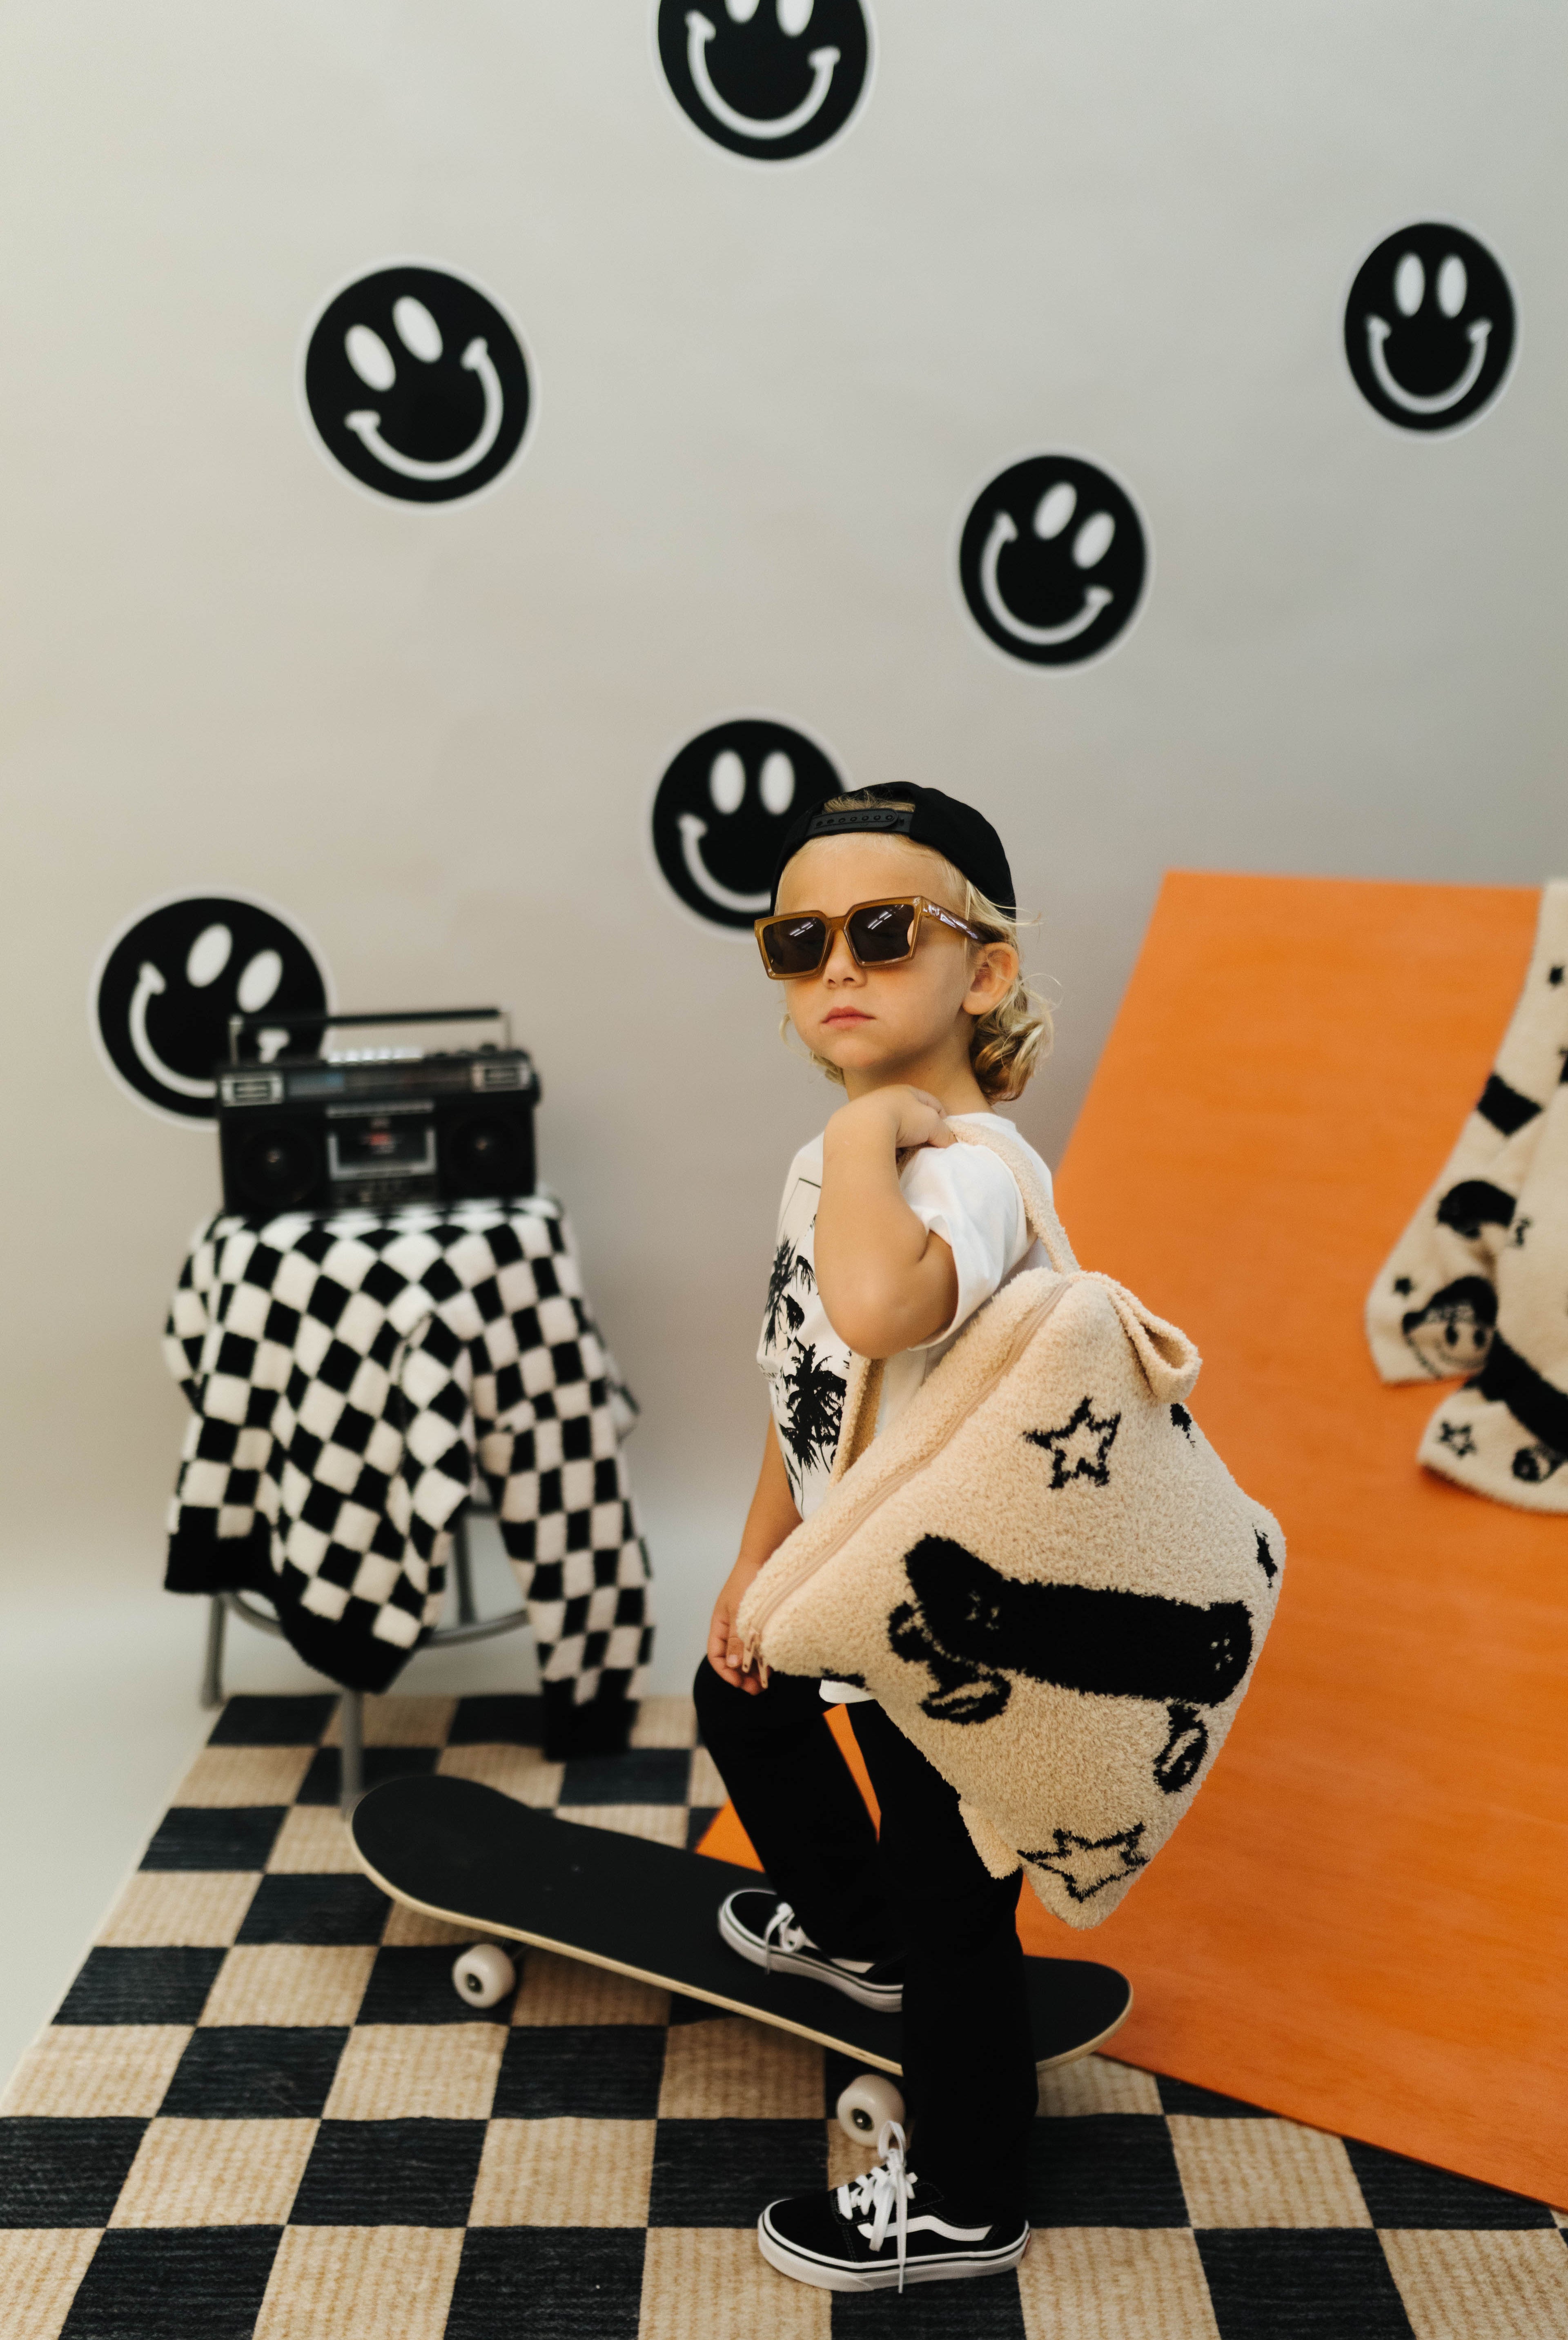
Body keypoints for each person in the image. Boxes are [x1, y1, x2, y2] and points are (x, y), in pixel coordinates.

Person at [692, 782, 1058, 2293]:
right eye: (798, 939)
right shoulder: (834, 1156)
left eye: (885, 930)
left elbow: (883, 1306)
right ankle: (855, 1932)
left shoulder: (975, 1169)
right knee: (741, 1692)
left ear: (984, 970)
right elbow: (808, 1375)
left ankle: (970, 2196)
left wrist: (869, 1145)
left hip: (965, 1609)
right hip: (857, 1568)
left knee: (954, 1889)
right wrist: (758, 1559)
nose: (837, 965)